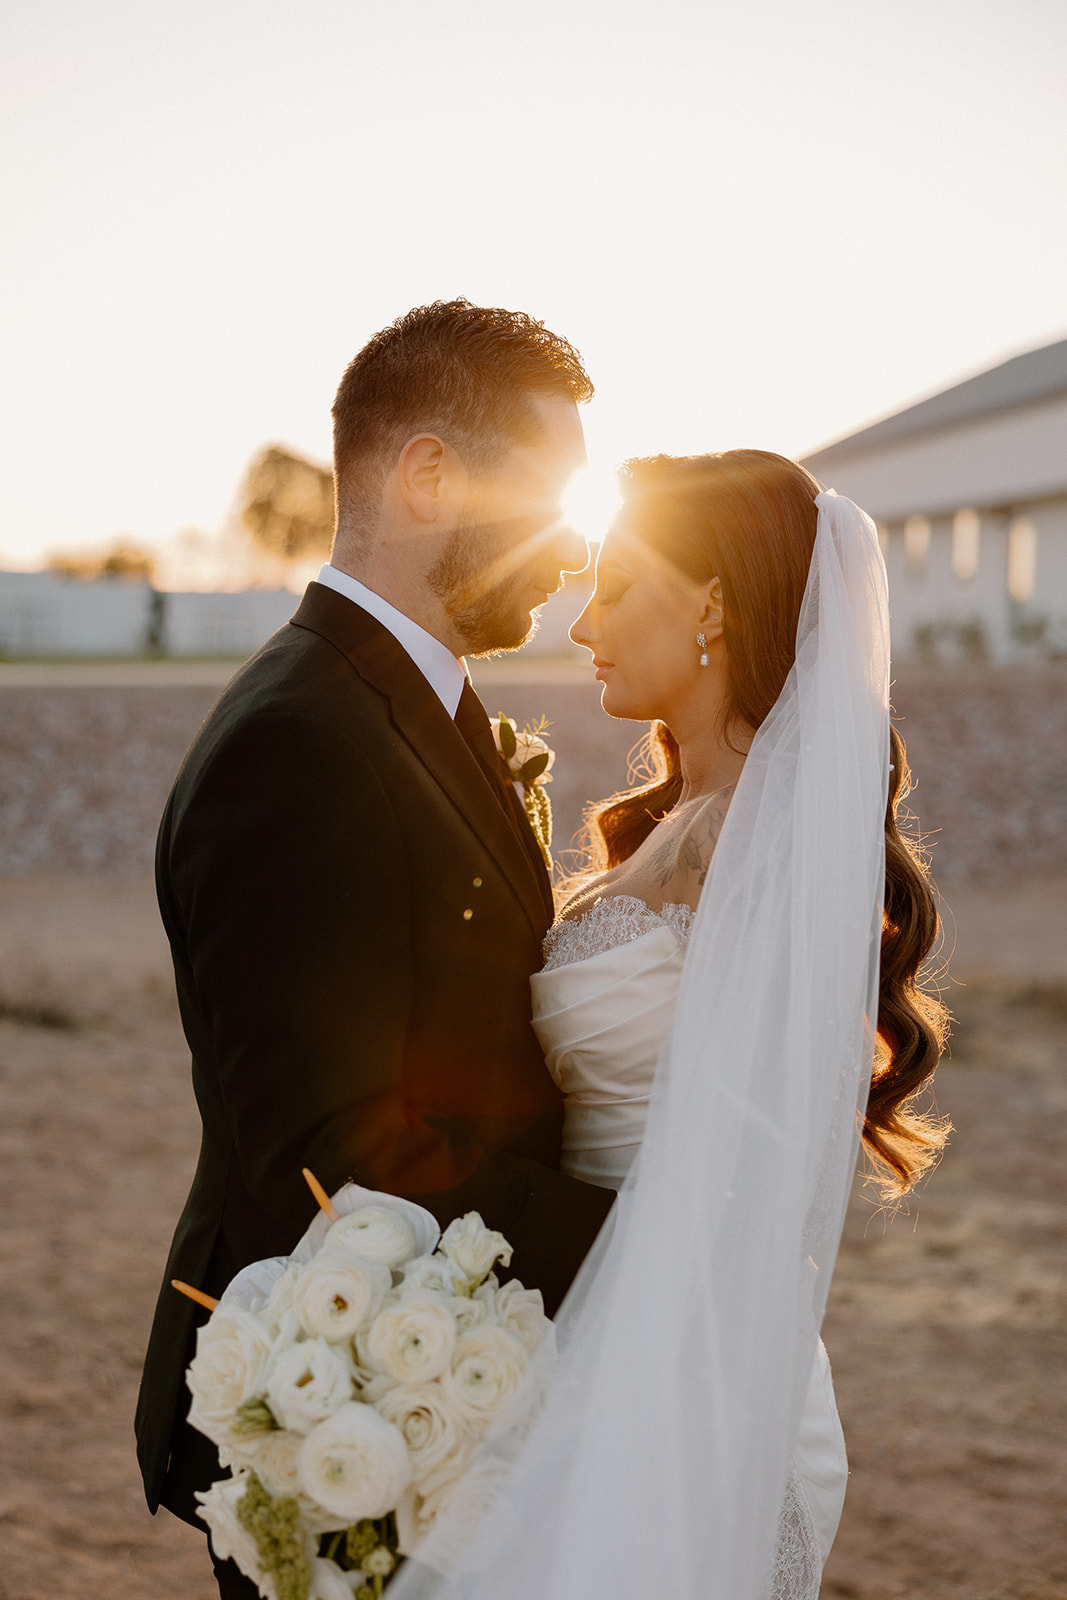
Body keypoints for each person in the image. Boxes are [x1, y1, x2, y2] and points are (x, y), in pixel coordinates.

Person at [387, 452, 948, 1600]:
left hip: (679, 1357)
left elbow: (758, 1149)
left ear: (711, 602)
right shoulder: (678, 826)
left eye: (617, 585)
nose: (582, 619)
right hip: (580, 1315)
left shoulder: (753, 845)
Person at [135, 300, 616, 1599]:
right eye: (549, 498)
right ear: (426, 476)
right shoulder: (296, 744)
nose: (573, 549)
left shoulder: (413, 705)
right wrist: (628, 1243)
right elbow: (332, 1154)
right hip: (336, 1410)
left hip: (446, 1385)